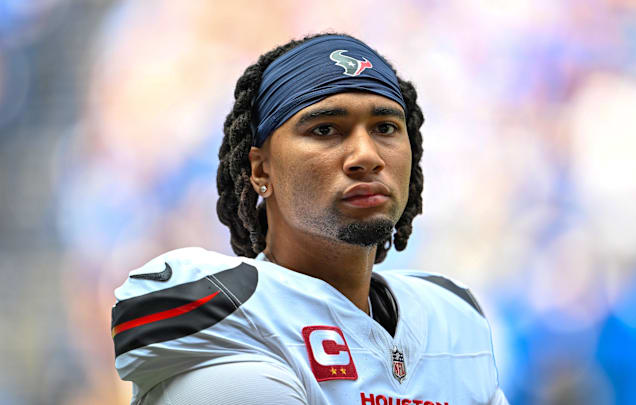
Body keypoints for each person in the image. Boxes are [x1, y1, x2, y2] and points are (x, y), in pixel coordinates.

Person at [111, 33, 509, 405]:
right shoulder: (229, 315)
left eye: (385, 127)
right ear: (260, 170)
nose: (367, 156)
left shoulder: (454, 318)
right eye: (325, 130)